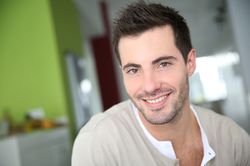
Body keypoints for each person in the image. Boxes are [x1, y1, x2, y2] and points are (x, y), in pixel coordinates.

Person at [72, 1, 250, 166]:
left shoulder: (233, 140)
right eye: (133, 70)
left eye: (163, 64)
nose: (149, 86)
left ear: (190, 63)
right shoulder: (97, 144)